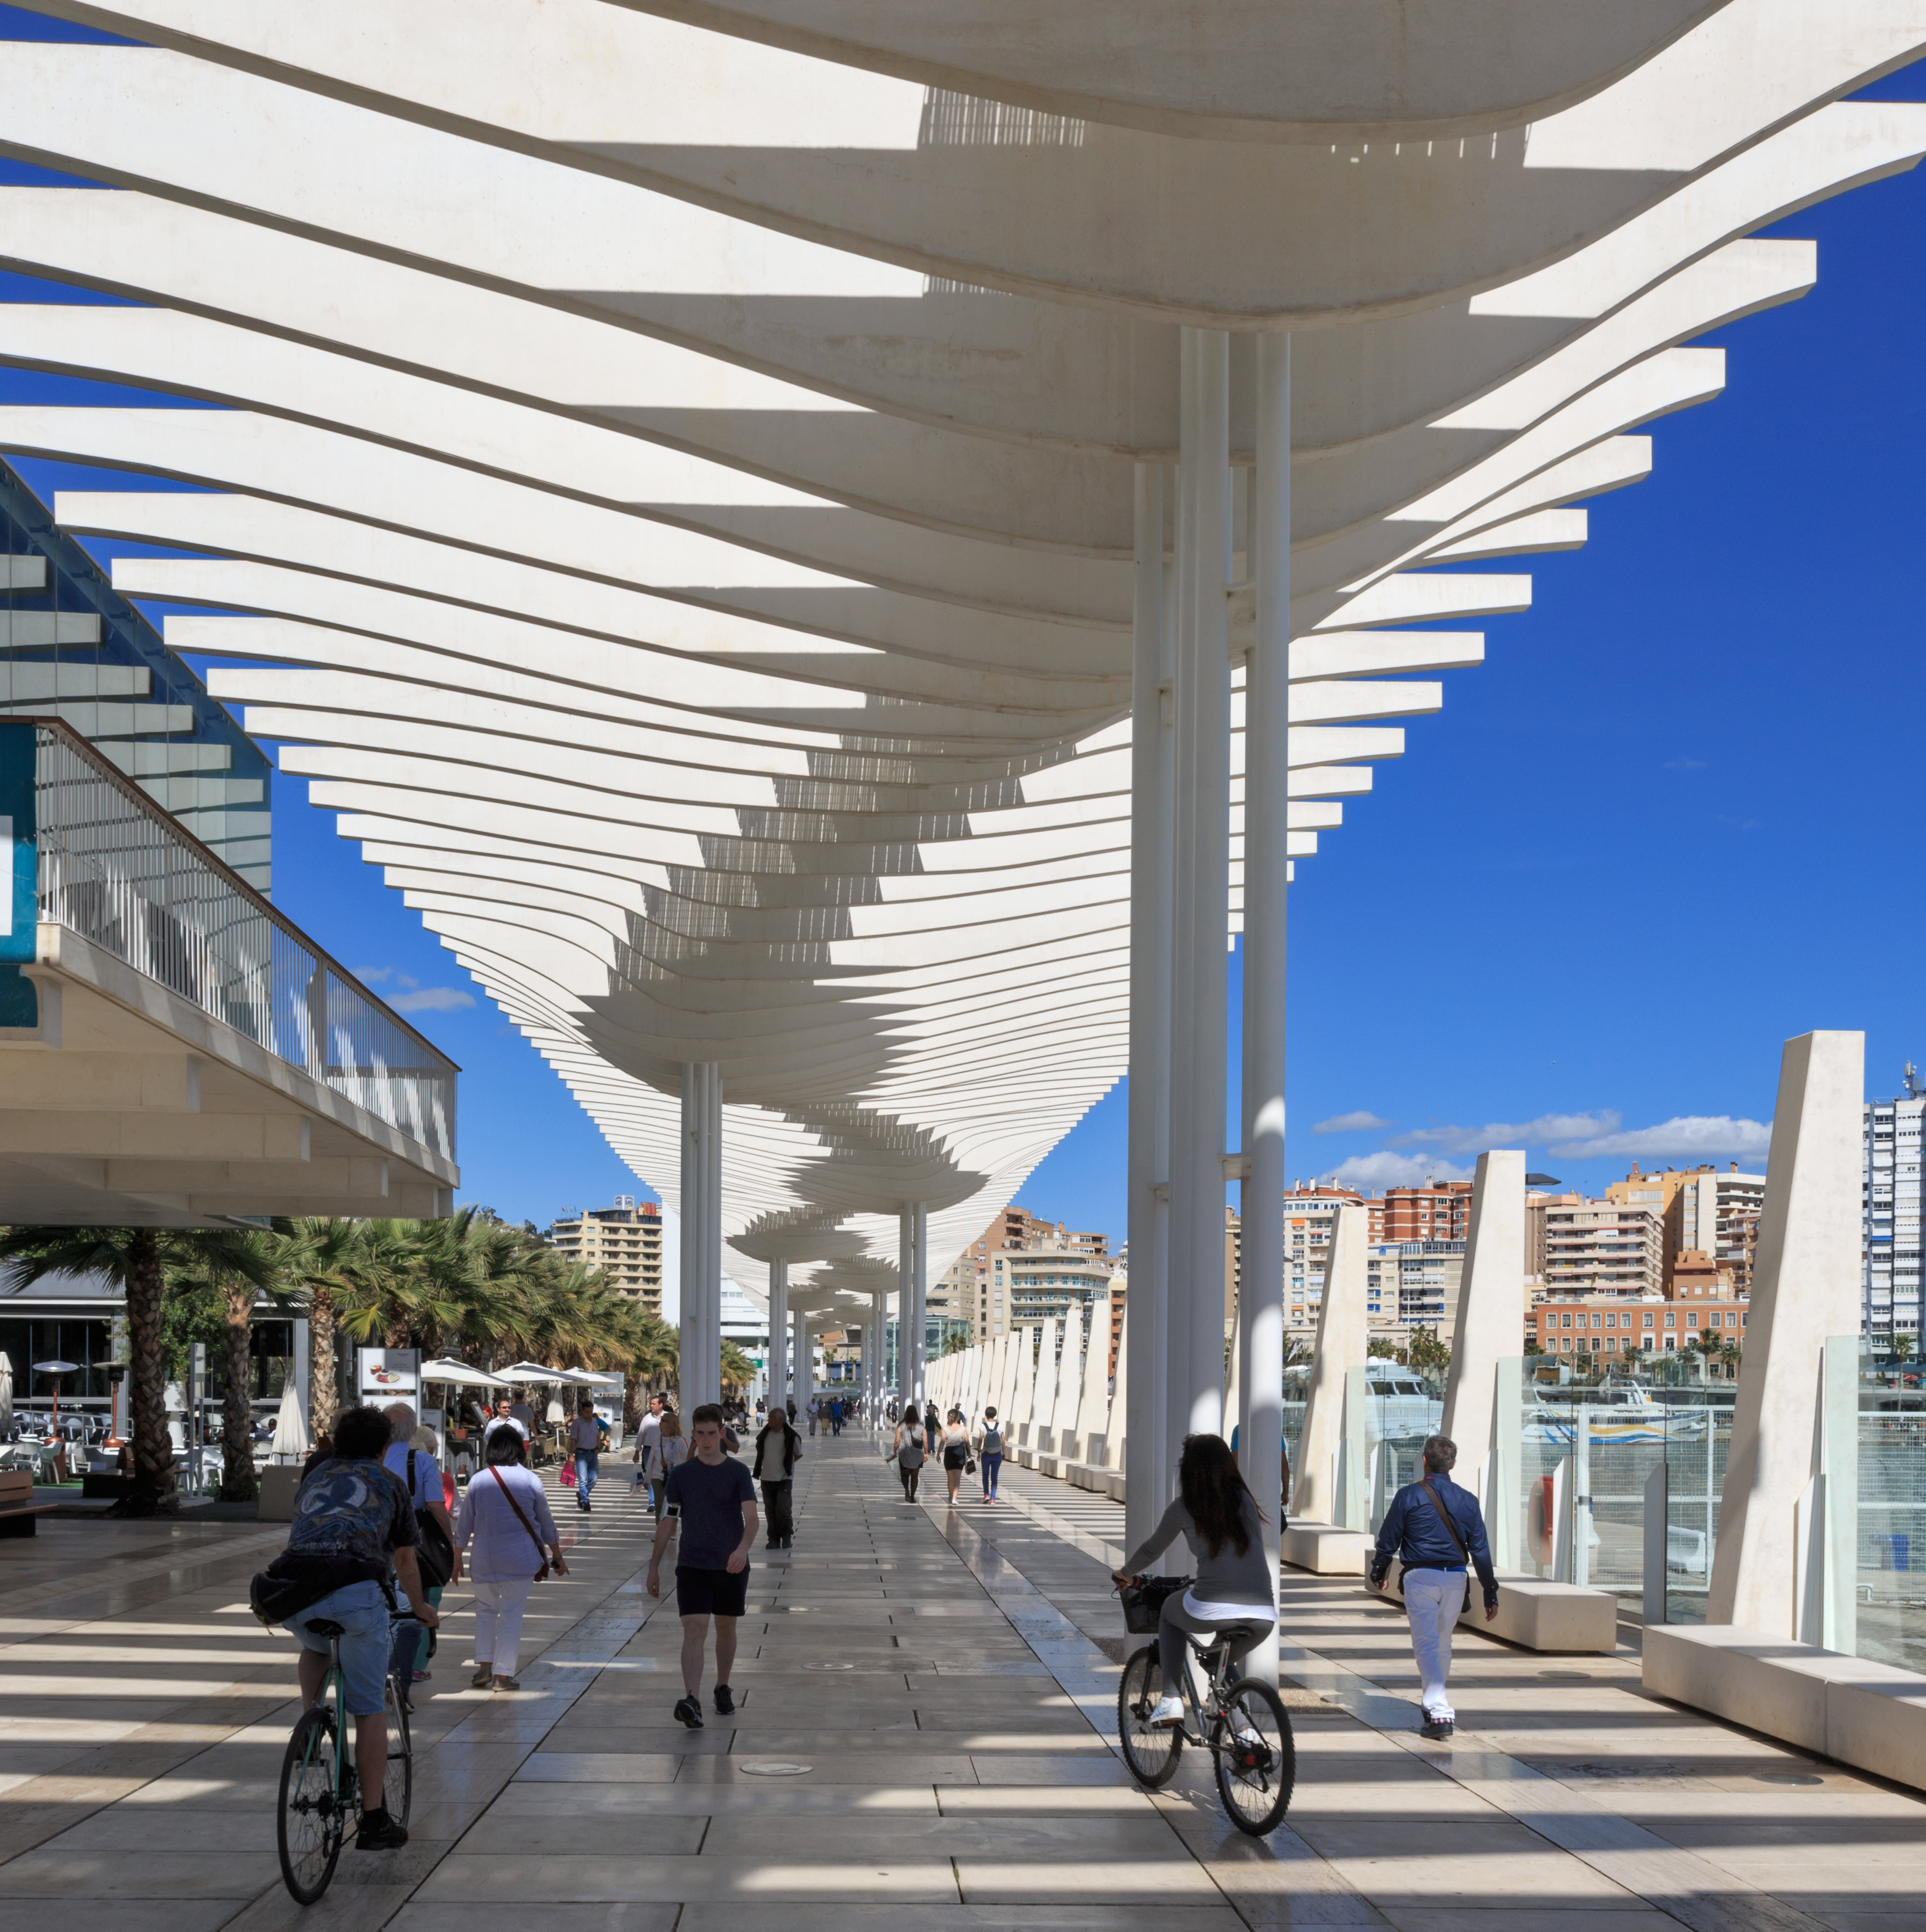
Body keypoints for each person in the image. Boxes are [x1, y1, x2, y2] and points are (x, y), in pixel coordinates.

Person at [277, 1402, 441, 1852]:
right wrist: (422, 1607)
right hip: (354, 1592)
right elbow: (405, 1559)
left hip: (294, 1591)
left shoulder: (315, 1477)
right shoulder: (389, 1482)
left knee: (315, 1645)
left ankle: (311, 1718)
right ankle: (373, 1819)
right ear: (385, 1447)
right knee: (368, 1709)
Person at [1110, 1433, 1276, 1729]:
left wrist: (1125, 1573)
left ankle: (1172, 1699)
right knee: (1220, 1664)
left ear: (1188, 1470)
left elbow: (1152, 1548)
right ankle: (1247, 1734)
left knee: (1170, 1613)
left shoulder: (1184, 1507)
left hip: (1212, 1605)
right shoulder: (1246, 1501)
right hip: (1264, 1614)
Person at [1368, 1432, 1498, 1741]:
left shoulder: (1408, 1496)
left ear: (1424, 1461)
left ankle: (1439, 1712)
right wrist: (1490, 1592)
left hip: (1420, 1577)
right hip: (1456, 1578)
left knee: (1427, 1643)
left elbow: (1389, 1538)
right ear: (1452, 1464)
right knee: (1442, 1641)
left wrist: (1379, 1569)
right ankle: (1433, 1704)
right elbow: (1480, 1550)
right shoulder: (1468, 1500)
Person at [646, 1403, 758, 1728]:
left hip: (730, 1565)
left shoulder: (738, 1473)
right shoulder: (682, 1475)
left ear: (722, 1434)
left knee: (726, 1628)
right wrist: (654, 1566)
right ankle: (691, 1698)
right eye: (701, 1434)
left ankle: (722, 1687)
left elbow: (751, 1520)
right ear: (692, 1434)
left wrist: (742, 1551)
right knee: (694, 1629)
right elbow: (668, 1520)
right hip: (693, 1564)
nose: (707, 1440)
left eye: (713, 1434)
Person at [455, 1426, 569, 1691]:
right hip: (520, 1558)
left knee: (485, 1610)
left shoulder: (478, 1480)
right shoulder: (530, 1480)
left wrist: (457, 1555)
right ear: (518, 1448)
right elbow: (546, 1523)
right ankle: (502, 1675)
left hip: (484, 1558)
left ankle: (484, 1667)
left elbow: (464, 1525)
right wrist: (557, 1556)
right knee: (510, 1613)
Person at [381, 1403, 459, 1709]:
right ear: (413, 1431)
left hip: (374, 1541)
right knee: (414, 1612)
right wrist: (450, 1545)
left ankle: (376, 1677)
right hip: (412, 1544)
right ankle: (400, 1684)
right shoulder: (422, 1461)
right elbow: (437, 1506)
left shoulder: (375, 1458)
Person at [752, 1404, 802, 1549]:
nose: (768, 1420)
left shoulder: (791, 1436)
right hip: (767, 1478)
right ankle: (773, 1539)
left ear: (780, 1420)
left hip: (784, 1478)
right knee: (770, 1510)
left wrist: (786, 1465)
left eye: (771, 1418)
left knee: (784, 1508)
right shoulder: (765, 1434)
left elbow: (798, 1454)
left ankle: (786, 1536)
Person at [567, 1397, 609, 1513]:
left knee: (594, 1479)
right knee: (583, 1480)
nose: (589, 1414)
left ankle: (581, 1494)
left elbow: (597, 1435)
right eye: (587, 1412)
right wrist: (572, 1454)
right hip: (581, 1453)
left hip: (593, 1453)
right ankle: (585, 1501)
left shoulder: (595, 1422)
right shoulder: (577, 1423)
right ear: (582, 1411)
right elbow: (573, 1439)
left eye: (591, 1412)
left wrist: (598, 1447)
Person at [649, 1409, 687, 1519]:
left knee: (672, 1504)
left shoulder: (679, 1441)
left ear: (671, 1424)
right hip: (657, 1475)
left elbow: (684, 1460)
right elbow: (652, 1458)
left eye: (664, 1421)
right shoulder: (657, 1439)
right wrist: (647, 1479)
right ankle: (660, 1531)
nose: (660, 1423)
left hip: (673, 1476)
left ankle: (671, 1531)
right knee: (659, 1505)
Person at [635, 1394, 665, 1512]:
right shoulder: (647, 1418)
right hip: (648, 1450)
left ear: (661, 1405)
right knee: (650, 1474)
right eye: (651, 1404)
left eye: (654, 1404)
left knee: (662, 1474)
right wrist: (637, 1451)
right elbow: (640, 1435)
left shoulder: (668, 1417)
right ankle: (652, 1502)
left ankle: (662, 1499)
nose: (651, 1406)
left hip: (664, 1449)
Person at [892, 1404, 926, 1502]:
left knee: (905, 1475)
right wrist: (926, 1453)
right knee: (915, 1476)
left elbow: (897, 1441)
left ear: (906, 1413)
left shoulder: (901, 1426)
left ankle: (906, 1490)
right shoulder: (921, 1426)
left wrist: (895, 1452)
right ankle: (912, 1496)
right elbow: (925, 1441)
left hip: (904, 1454)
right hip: (917, 1454)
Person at [939, 1406, 971, 1504]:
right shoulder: (963, 1429)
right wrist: (969, 1452)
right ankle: (954, 1498)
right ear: (958, 1418)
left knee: (950, 1478)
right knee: (958, 1477)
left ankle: (950, 1496)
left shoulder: (945, 1429)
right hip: (960, 1453)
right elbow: (967, 1441)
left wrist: (939, 1454)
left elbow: (942, 1442)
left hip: (949, 1453)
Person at [974, 1406, 1004, 1504]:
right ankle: (993, 1499)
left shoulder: (983, 1426)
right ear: (995, 1415)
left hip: (986, 1454)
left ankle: (986, 1494)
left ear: (986, 1415)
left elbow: (980, 1439)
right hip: (997, 1454)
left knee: (985, 1474)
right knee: (994, 1476)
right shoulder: (1000, 1426)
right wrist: (1003, 1453)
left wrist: (979, 1451)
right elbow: (1003, 1441)